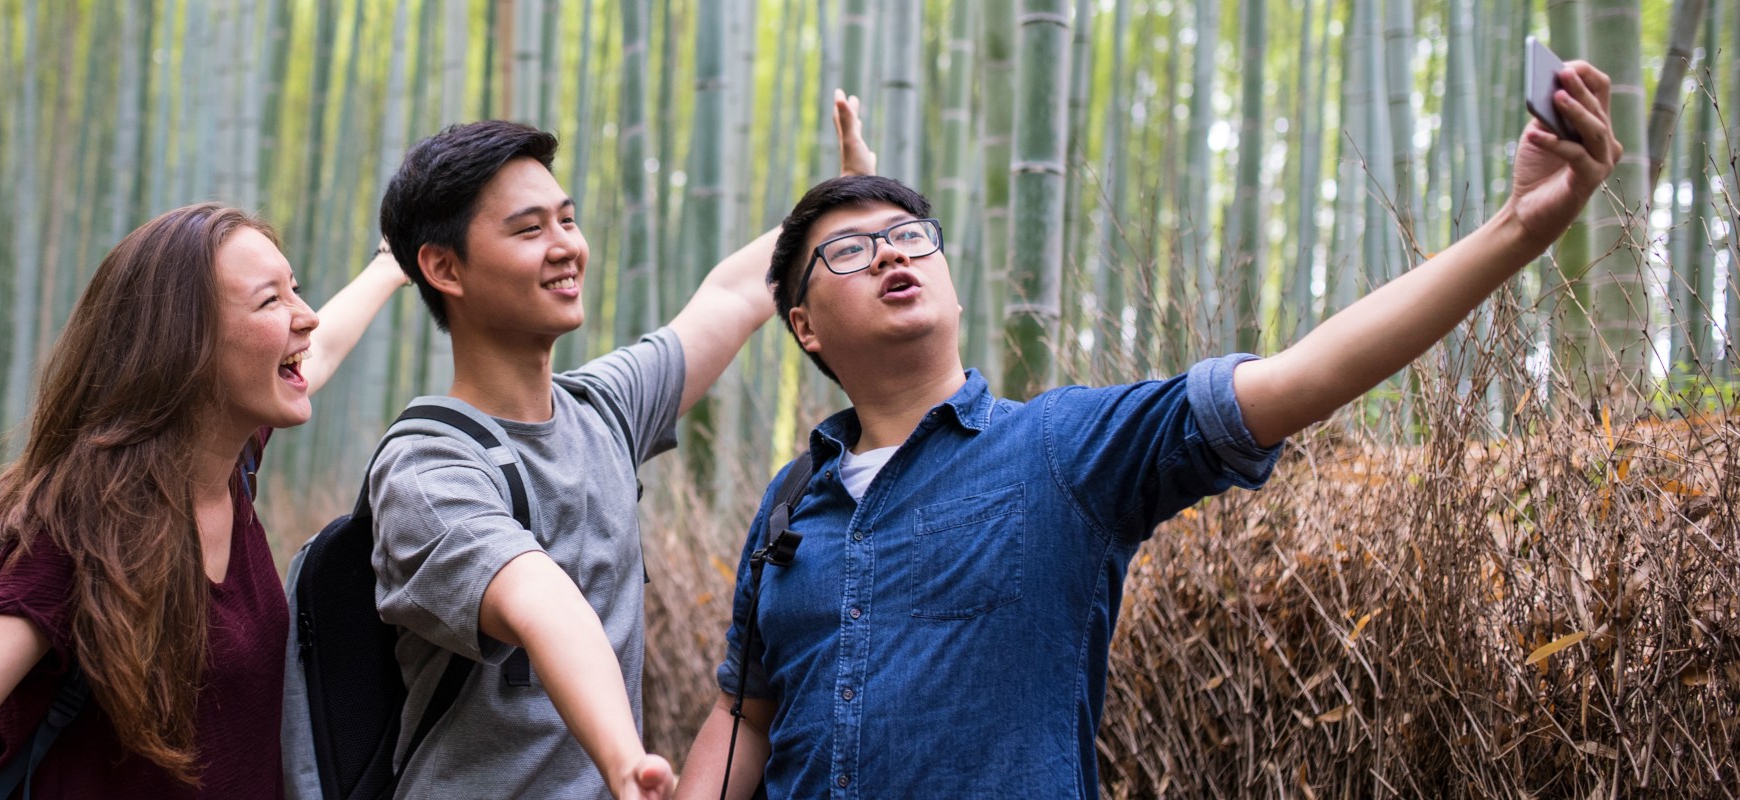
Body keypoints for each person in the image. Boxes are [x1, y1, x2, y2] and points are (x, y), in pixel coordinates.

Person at [674, 63, 1625, 799]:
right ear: (801, 326)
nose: (890, 250)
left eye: (913, 236)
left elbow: (1298, 378)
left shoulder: (1062, 452)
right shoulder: (794, 506)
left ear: (953, 283)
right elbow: (747, 716)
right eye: (849, 249)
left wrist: (1517, 229)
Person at [363, 94, 877, 799]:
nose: (566, 246)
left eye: (568, 220)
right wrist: (622, 760)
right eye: (528, 229)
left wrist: (832, 208)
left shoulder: (600, 409)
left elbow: (728, 298)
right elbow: (544, 605)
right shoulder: (426, 468)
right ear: (445, 269)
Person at [0, 203, 408, 799]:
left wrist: (389, 264)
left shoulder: (230, 462)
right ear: (185, 343)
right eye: (270, 300)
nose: (305, 317)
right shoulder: (86, 527)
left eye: (295, 288)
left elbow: (318, 354)